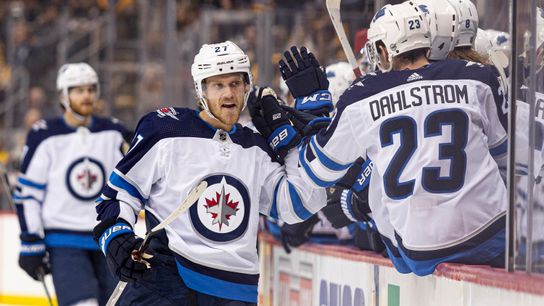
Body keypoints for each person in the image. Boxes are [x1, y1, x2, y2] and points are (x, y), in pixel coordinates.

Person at [260, 1, 508, 276]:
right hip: (492, 234)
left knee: (375, 165)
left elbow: (317, 173)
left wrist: (313, 110)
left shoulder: (362, 96)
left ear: (383, 49)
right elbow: (505, 156)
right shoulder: (477, 78)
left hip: (420, 250)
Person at [92, 40, 326, 305]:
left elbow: (301, 203)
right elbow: (118, 195)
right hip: (166, 280)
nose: (228, 94)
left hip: (234, 290)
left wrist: (290, 144)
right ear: (200, 90)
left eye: (235, 84)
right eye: (218, 85)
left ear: (247, 86)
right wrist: (116, 238)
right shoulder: (165, 130)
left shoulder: (255, 147)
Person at [14, 63, 128, 306]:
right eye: (78, 90)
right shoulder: (44, 135)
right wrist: (31, 241)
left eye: (90, 89)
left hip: (108, 240)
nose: (86, 96)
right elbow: (28, 194)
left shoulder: (115, 132)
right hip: (64, 242)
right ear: (64, 95)